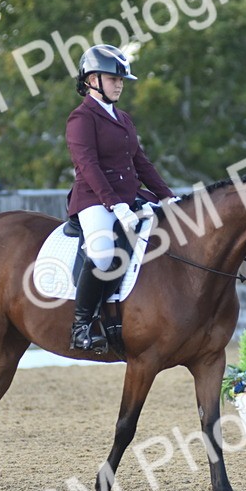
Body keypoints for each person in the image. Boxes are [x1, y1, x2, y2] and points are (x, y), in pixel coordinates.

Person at [65, 44, 176, 351]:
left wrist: (167, 196)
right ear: (92, 80)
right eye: (113, 78)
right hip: (94, 199)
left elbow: (140, 162)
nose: (120, 84)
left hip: (130, 197)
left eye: (121, 80)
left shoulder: (123, 118)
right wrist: (114, 204)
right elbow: (88, 165)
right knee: (102, 254)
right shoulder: (81, 118)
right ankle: (81, 325)